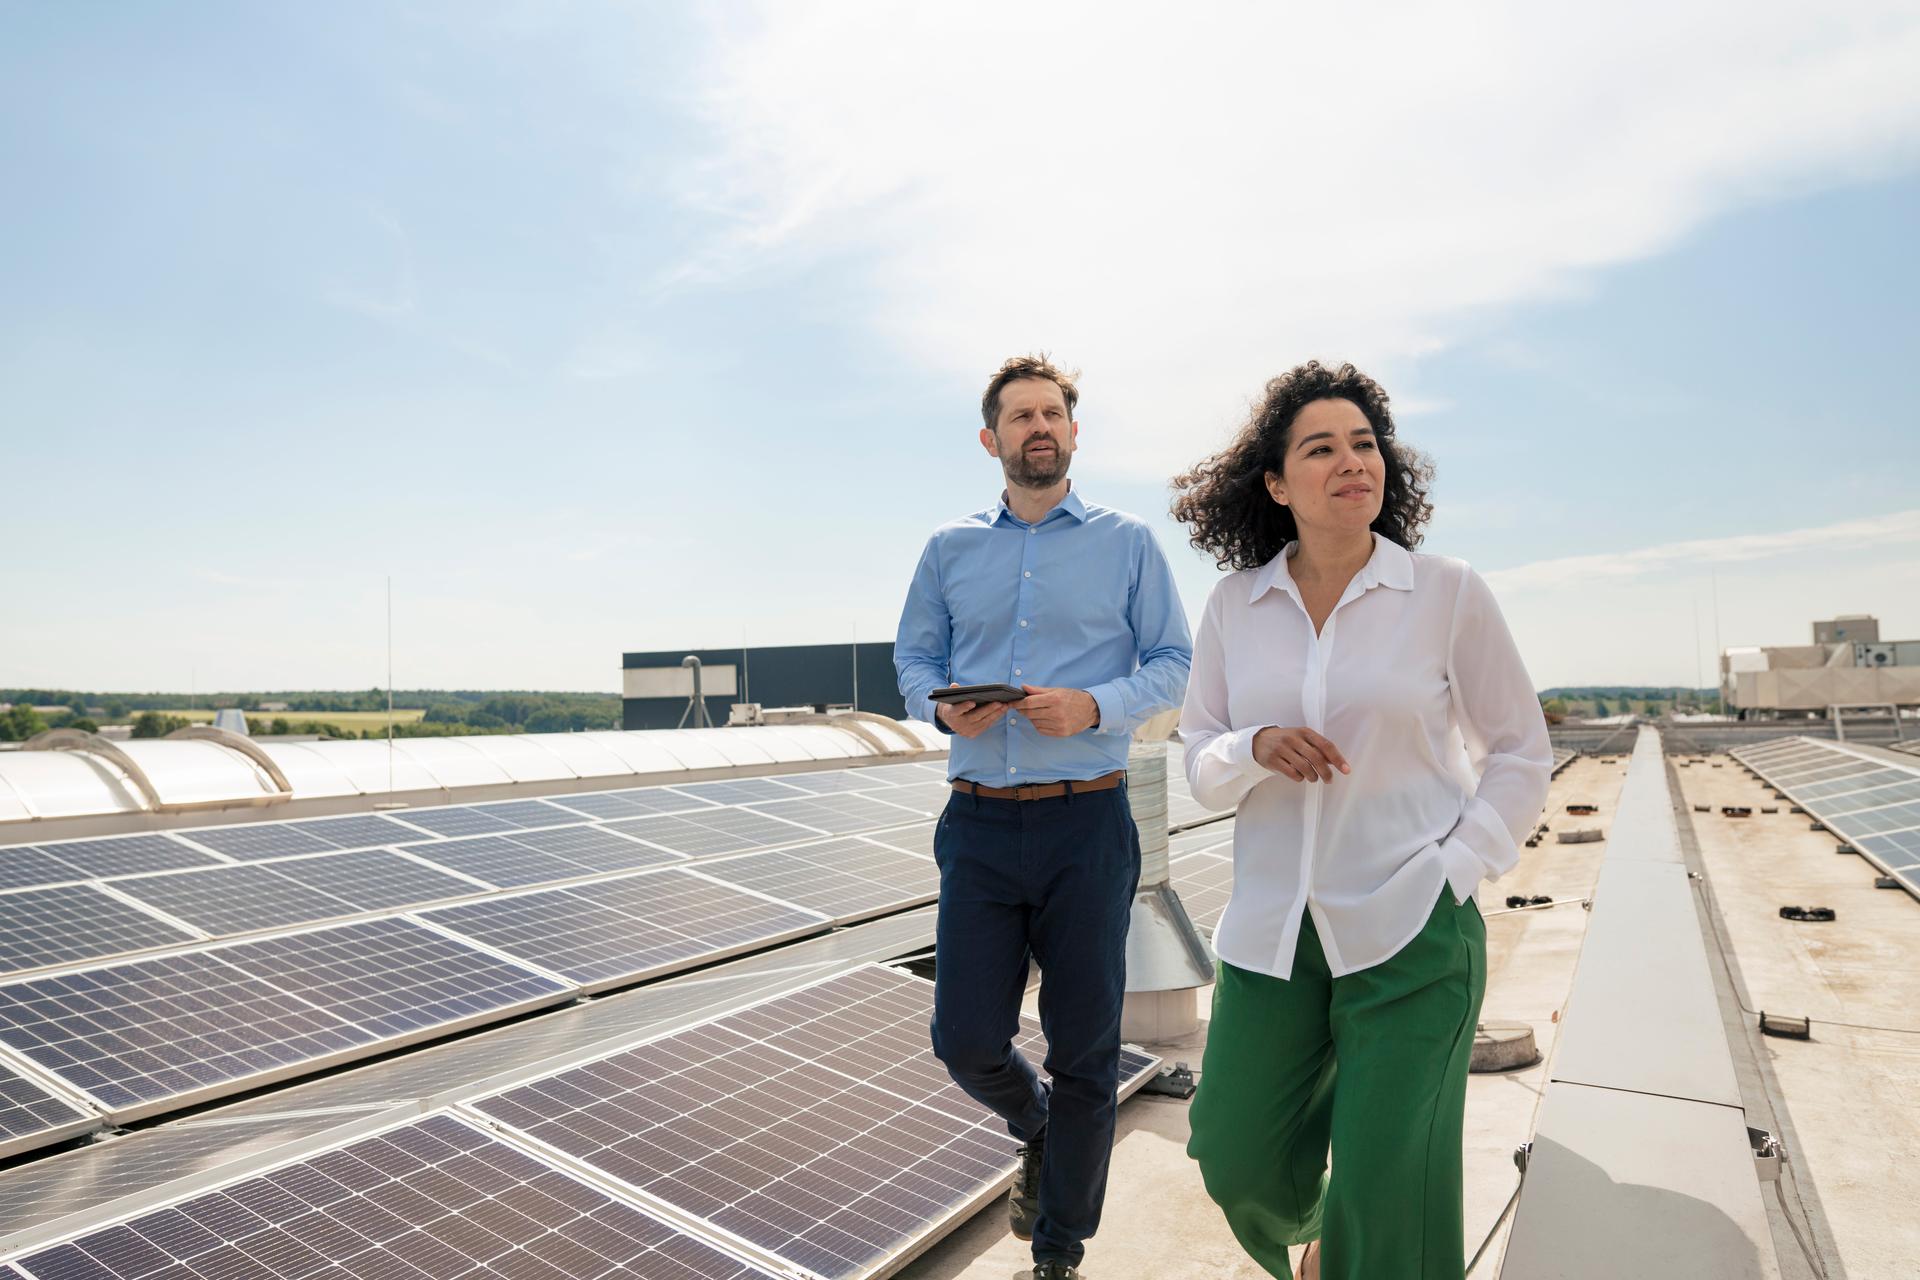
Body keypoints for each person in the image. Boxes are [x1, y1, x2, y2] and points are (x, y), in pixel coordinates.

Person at [1169, 361, 1551, 1280]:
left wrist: (1456, 869)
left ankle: (1356, 1251)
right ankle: (1317, 1240)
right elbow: (1198, 758)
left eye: (1366, 444)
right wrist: (1255, 745)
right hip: (1271, 935)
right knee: (1235, 1157)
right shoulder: (1235, 605)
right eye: (1322, 448)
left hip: (1412, 926)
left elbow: (1520, 753)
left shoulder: (1447, 592)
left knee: (1393, 1190)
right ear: (1275, 483)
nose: (1353, 462)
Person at [895, 354, 1192, 1280]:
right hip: (978, 825)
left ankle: (1058, 1252)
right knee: (967, 1038)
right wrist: (943, 708)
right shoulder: (948, 549)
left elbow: (1175, 661)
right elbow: (911, 660)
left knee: (1086, 1048)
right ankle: (1038, 1128)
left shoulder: (1129, 542)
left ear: (1073, 432)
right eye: (1020, 416)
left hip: (1086, 827)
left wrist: (1093, 707)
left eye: (1053, 413)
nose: (1038, 427)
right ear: (992, 440)